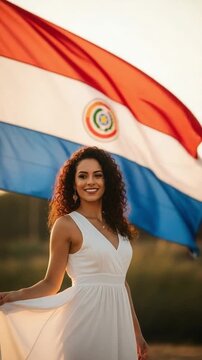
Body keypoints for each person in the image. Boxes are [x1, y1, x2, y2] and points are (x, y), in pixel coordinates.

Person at [0, 146, 148, 360]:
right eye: (82, 176)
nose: (90, 182)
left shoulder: (118, 226)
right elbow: (51, 284)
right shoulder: (67, 225)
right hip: (83, 324)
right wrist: (14, 296)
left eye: (98, 175)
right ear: (73, 183)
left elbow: (121, 282)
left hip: (119, 325)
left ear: (108, 181)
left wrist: (136, 333)